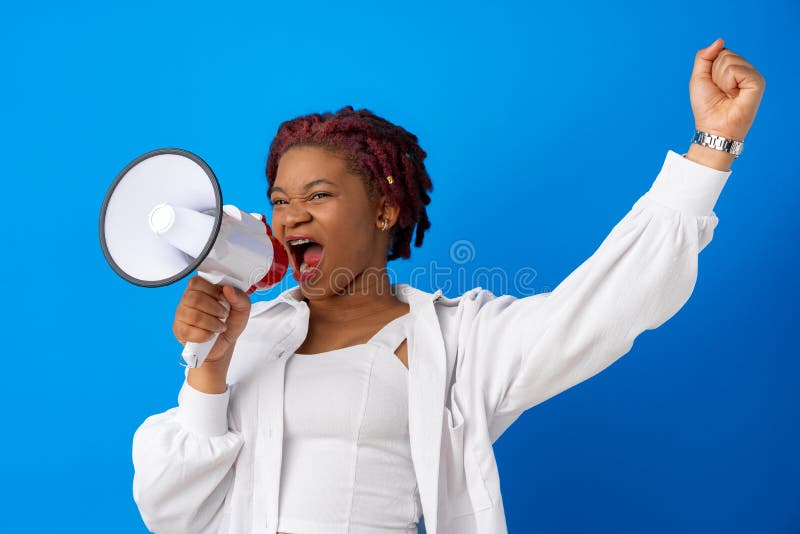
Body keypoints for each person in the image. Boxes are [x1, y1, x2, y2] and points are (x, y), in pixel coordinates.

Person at [131, 38, 765, 534]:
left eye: (318, 195)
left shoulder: (459, 343)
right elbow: (170, 510)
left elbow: (603, 307)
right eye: (280, 199)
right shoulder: (250, 337)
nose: (291, 215)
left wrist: (712, 147)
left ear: (384, 210)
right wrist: (208, 370)